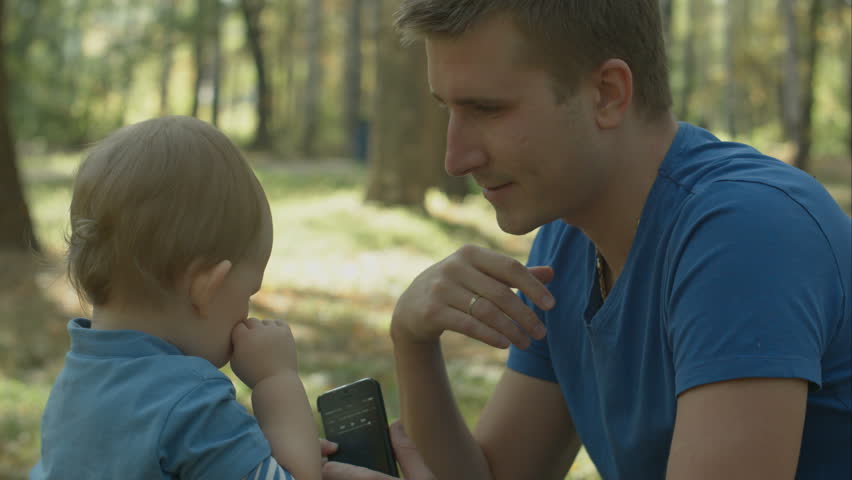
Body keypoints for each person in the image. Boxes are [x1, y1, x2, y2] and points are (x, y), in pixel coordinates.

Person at [346, 1, 852, 479]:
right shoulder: (567, 239)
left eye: (487, 109)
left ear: (608, 93)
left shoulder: (745, 236)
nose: (456, 158)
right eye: (448, 109)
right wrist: (412, 340)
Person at [31, 116, 322, 480]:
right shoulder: (192, 408)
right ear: (206, 286)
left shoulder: (73, 386)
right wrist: (276, 380)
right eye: (249, 292)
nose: (248, 309)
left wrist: (253, 455)